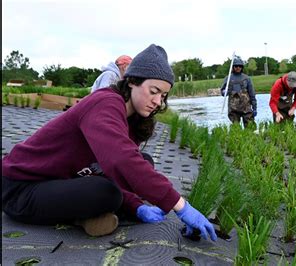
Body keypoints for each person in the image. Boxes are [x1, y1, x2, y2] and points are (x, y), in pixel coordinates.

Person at [2, 44, 217, 241]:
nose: (157, 101)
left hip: (66, 180)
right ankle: (81, 218)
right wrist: (180, 205)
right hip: (21, 188)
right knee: (107, 193)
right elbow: (120, 160)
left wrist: (136, 207)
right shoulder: (105, 103)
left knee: (144, 161)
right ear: (132, 81)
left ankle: (90, 214)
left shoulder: (132, 119)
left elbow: (115, 167)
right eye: (153, 92)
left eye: (163, 95)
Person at [220, 57, 257, 128]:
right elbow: (222, 92)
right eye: (236, 66)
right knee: (235, 128)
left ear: (242, 67)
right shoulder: (228, 79)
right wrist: (224, 92)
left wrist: (255, 108)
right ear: (233, 67)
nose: (238, 68)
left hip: (246, 108)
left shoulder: (247, 78)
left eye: (240, 66)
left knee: (250, 127)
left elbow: (252, 94)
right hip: (233, 109)